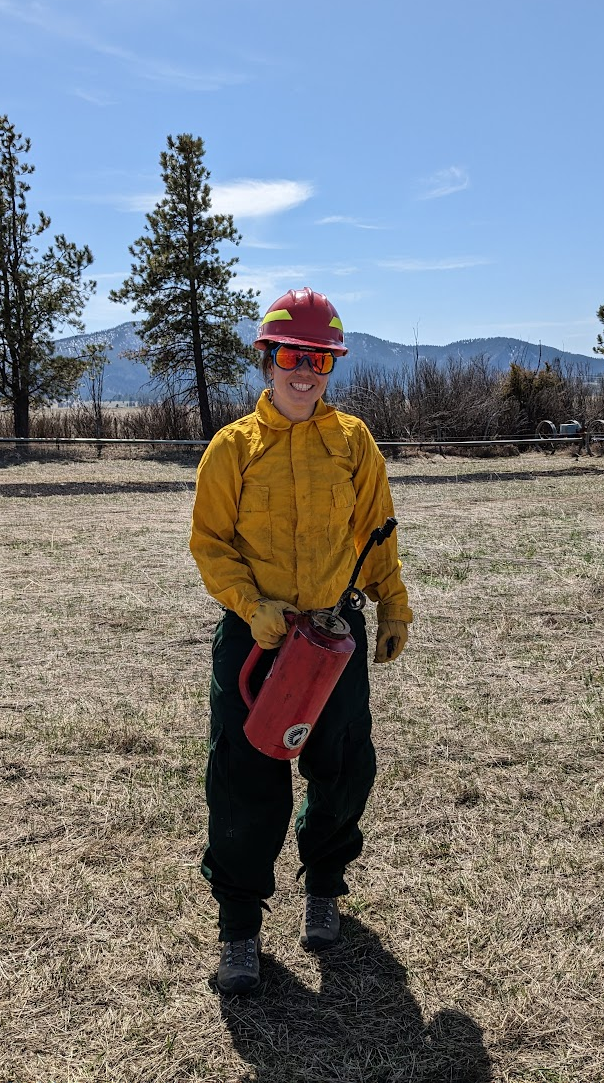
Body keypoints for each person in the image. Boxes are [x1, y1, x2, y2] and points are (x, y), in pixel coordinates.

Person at [189, 287, 412, 995]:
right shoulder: (231, 449)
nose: (304, 371)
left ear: (331, 367)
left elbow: (377, 530)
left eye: (320, 359)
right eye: (292, 355)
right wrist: (252, 607)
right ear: (267, 359)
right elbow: (210, 546)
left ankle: (323, 887)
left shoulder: (353, 442)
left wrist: (393, 606)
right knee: (245, 781)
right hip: (255, 642)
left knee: (342, 768)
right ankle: (239, 933)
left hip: (330, 635)